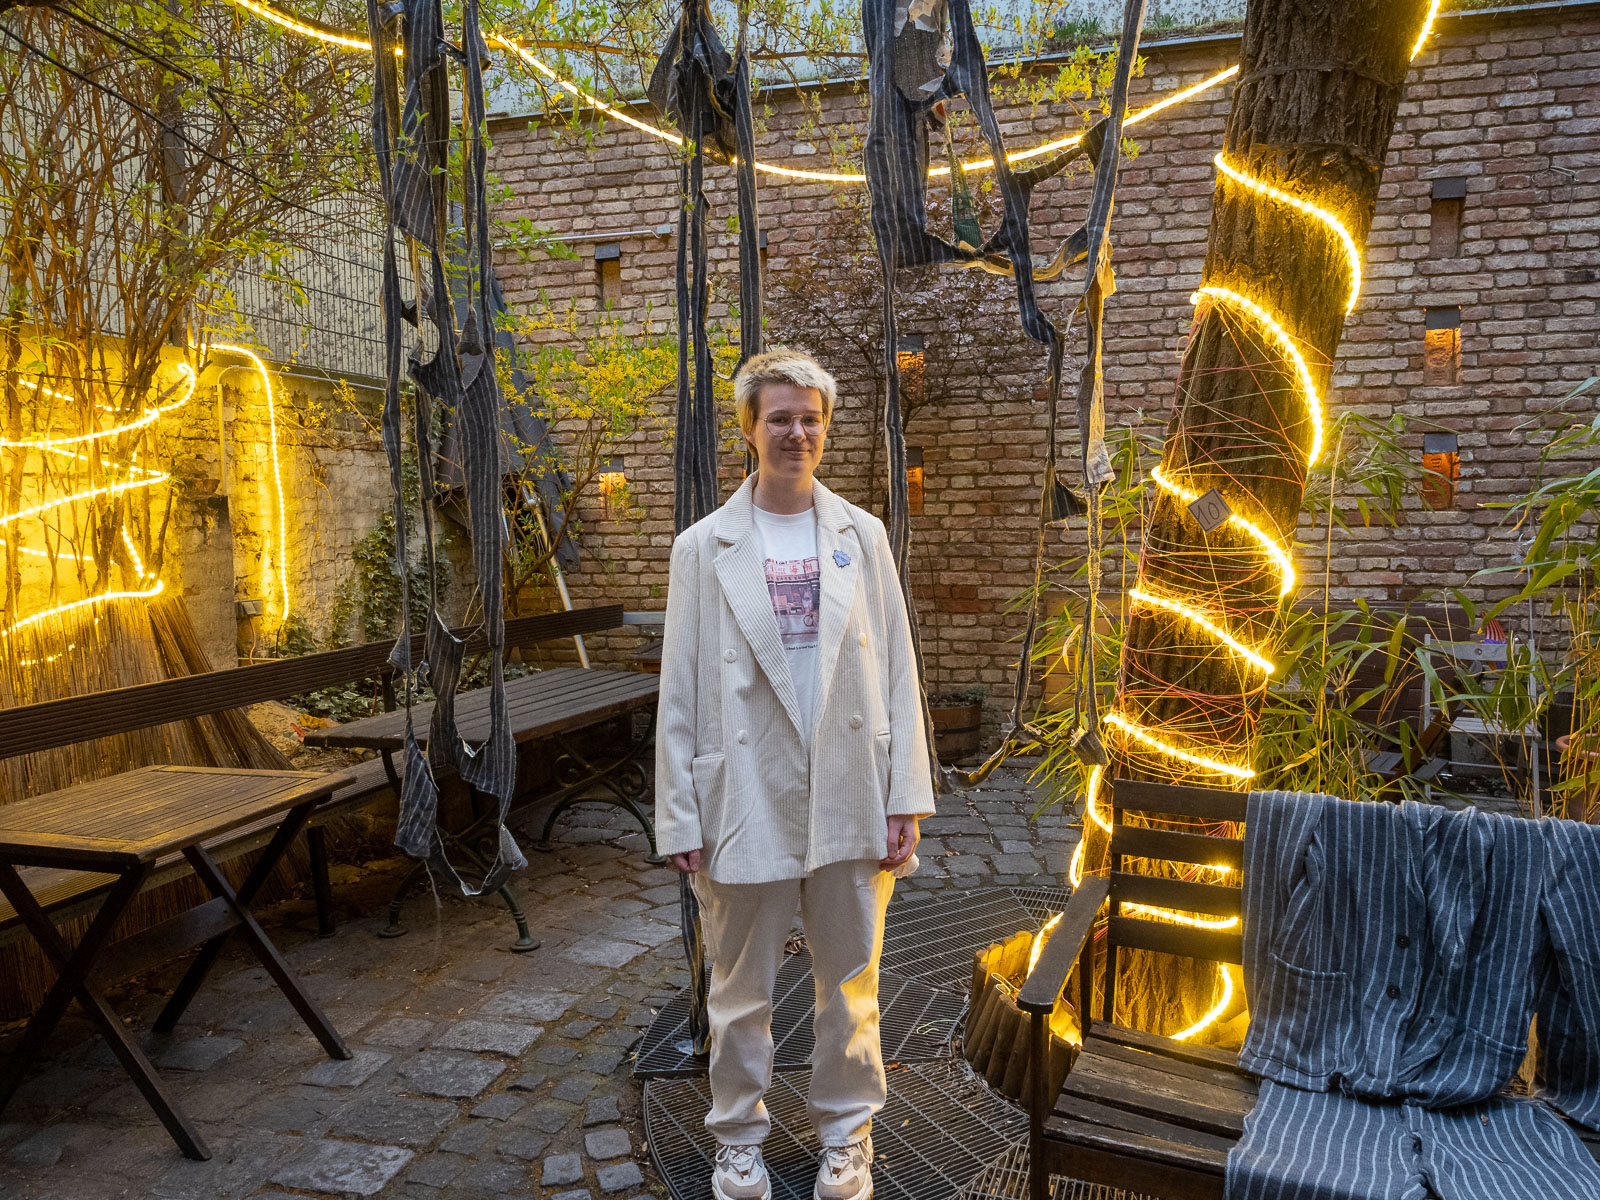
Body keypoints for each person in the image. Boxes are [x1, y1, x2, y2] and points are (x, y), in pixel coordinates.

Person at [656, 348, 936, 1200]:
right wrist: (679, 817)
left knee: (852, 984)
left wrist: (907, 797)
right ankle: (737, 1138)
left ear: (826, 426)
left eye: (810, 417)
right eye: (779, 416)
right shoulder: (703, 549)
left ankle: (848, 1138)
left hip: (851, 783)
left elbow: (897, 669)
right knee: (739, 990)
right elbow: (678, 689)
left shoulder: (864, 536)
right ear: (749, 429)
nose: (797, 432)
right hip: (742, 797)